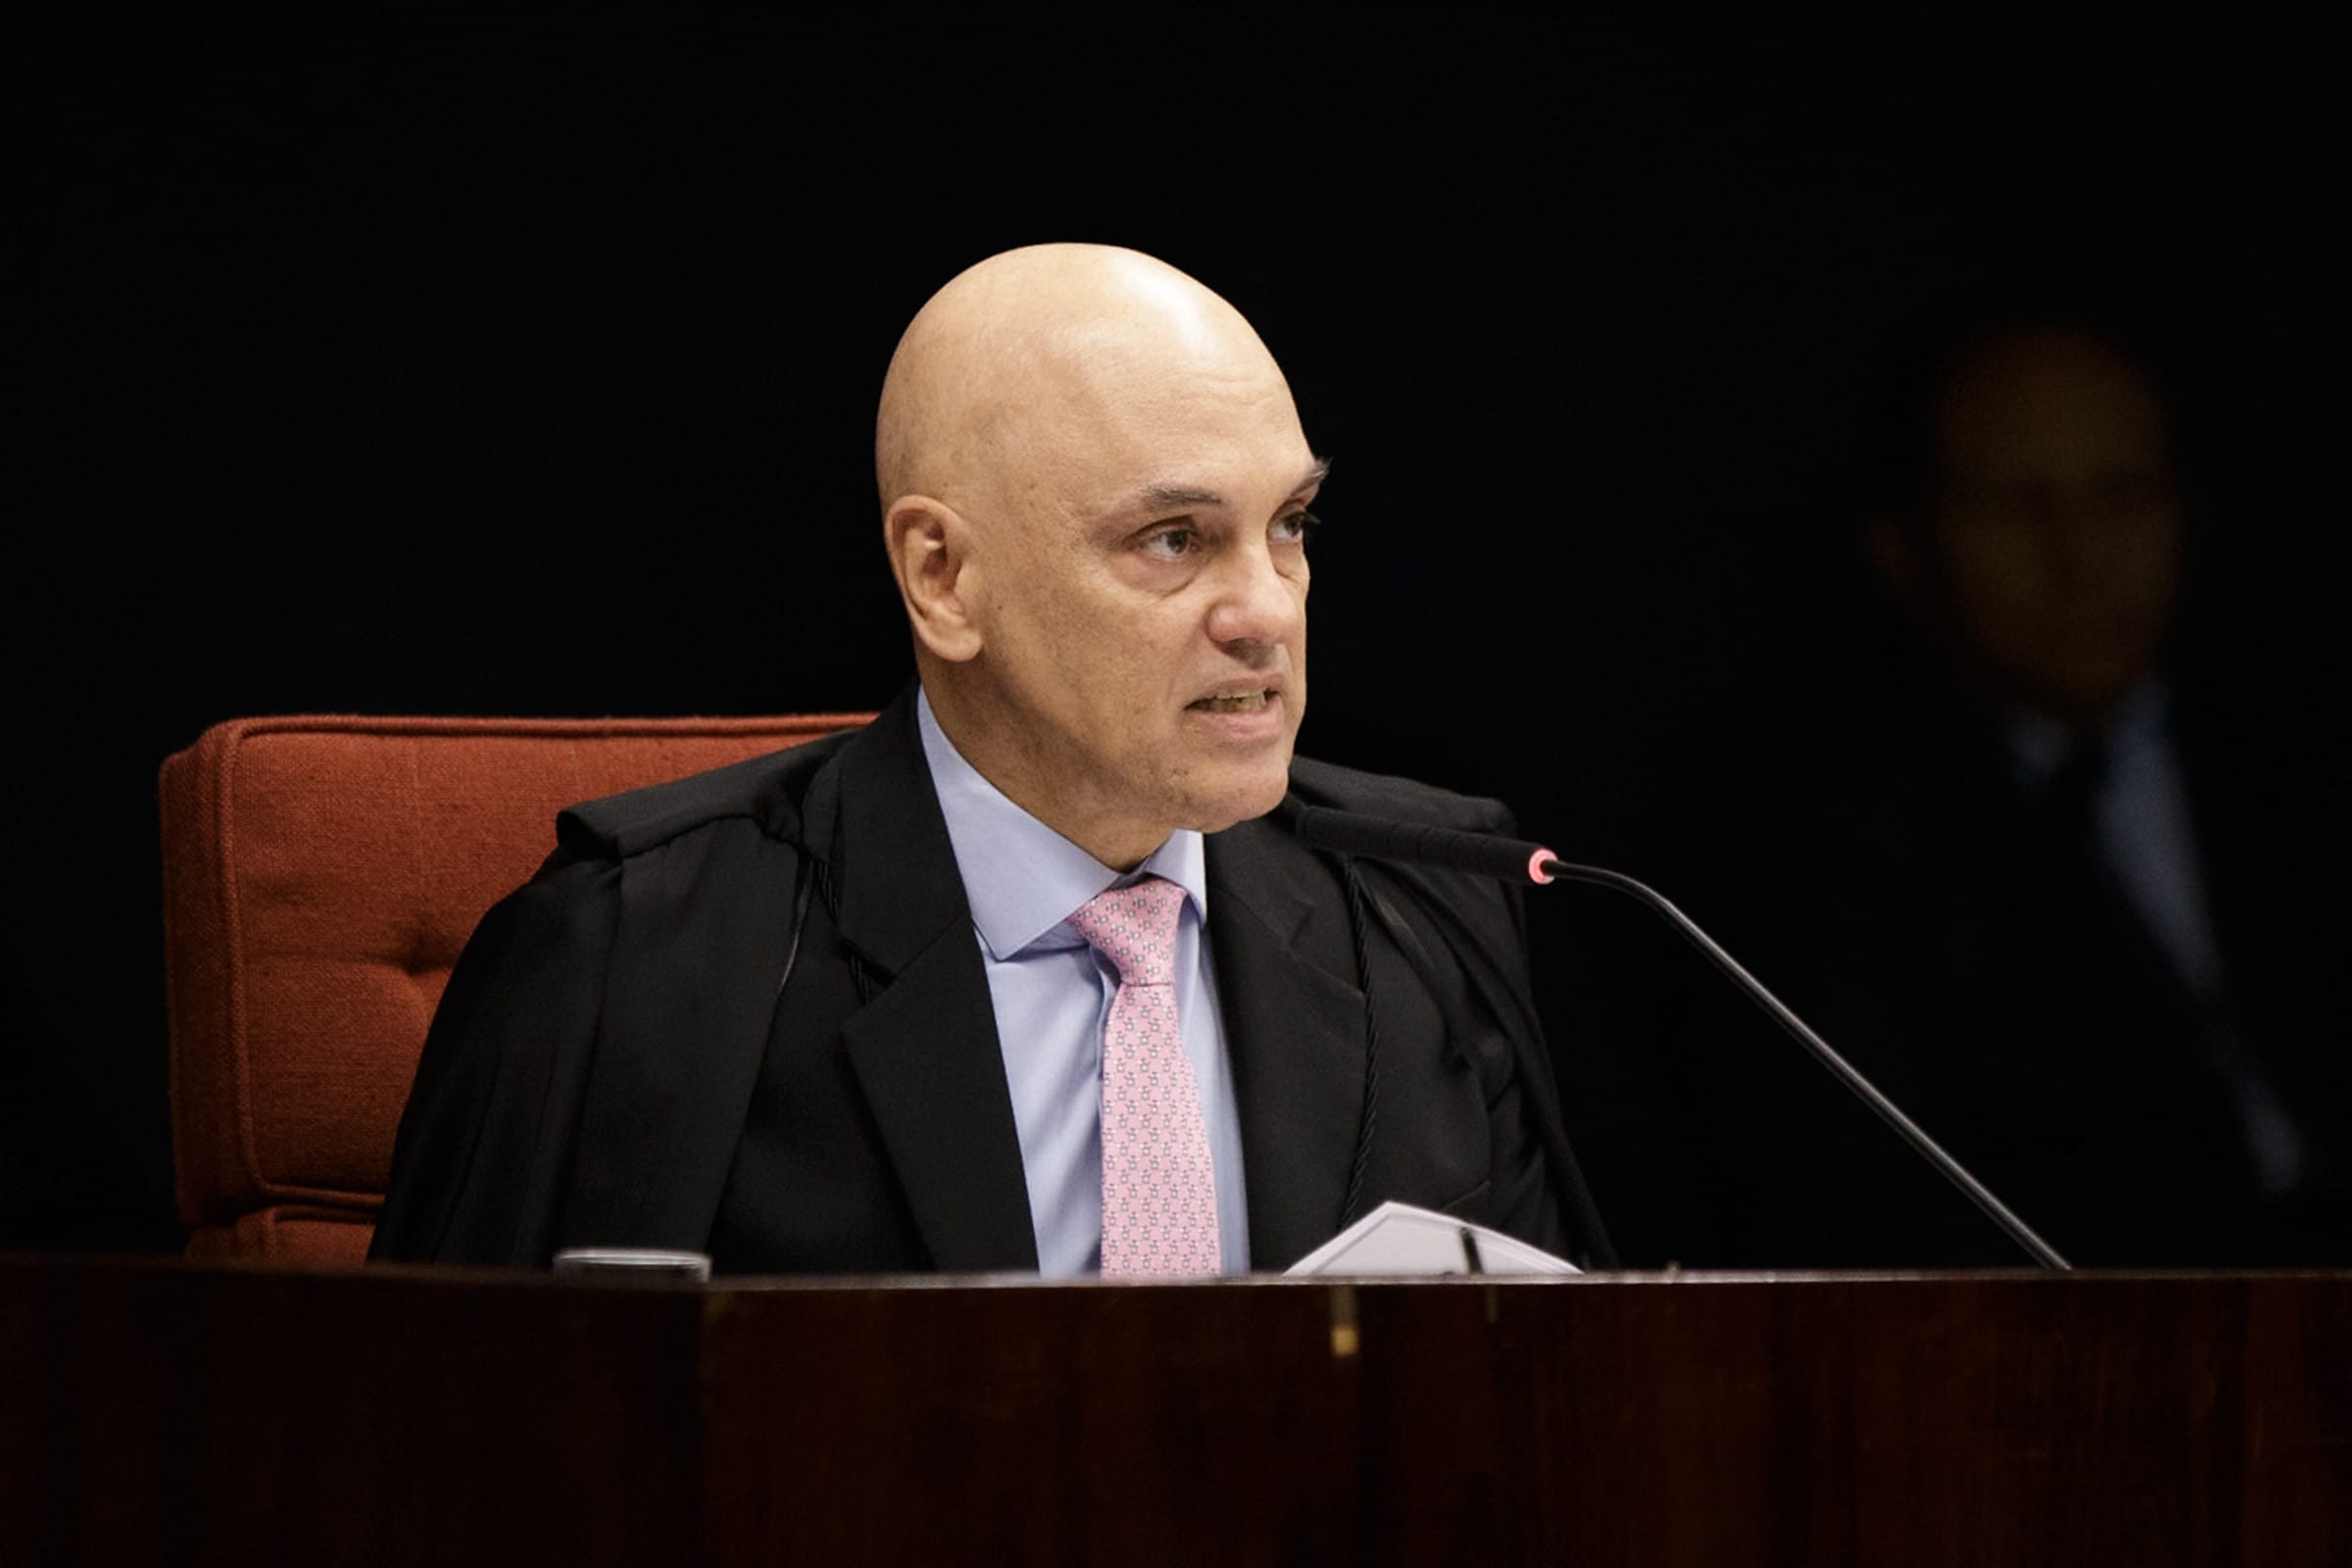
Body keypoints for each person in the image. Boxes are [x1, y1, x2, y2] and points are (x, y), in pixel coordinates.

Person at [370, 242, 1613, 1277]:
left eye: (1289, 524)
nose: (1266, 611)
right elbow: (428, 1440)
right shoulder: (634, 950)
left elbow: (1545, 1405)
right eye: (1174, 539)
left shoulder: (1426, 904)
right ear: (944, 578)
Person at [1595, 294, 2350, 1267]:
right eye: (2020, 506)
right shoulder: (1800, 819)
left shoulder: (2301, 733)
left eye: (2123, 495)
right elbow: (1840, 1198)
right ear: (1905, 545)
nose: (2083, 558)